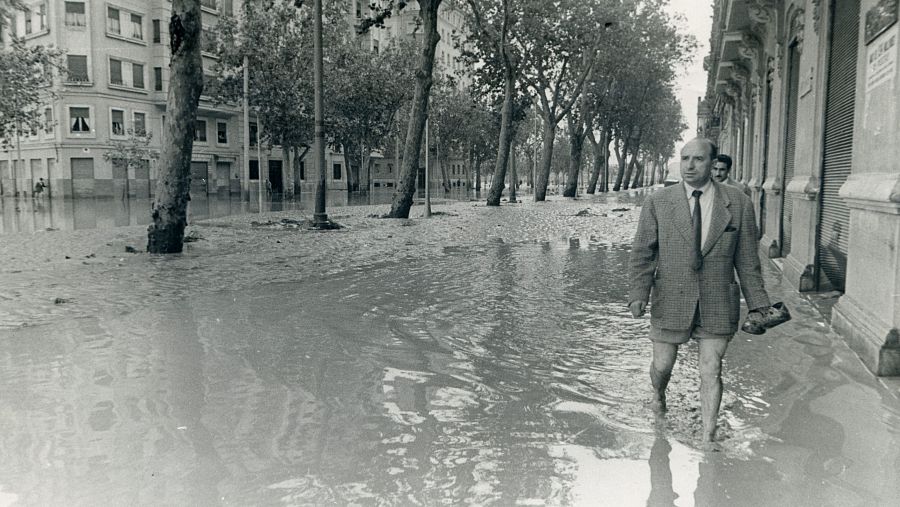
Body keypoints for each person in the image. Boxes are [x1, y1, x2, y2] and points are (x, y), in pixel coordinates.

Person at [628, 137, 771, 442]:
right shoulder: (659, 202)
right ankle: (659, 394)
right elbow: (643, 251)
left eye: (698, 159)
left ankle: (708, 435)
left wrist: (760, 305)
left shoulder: (739, 203)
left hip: (718, 299)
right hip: (671, 298)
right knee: (663, 365)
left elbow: (748, 260)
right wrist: (639, 294)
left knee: (711, 369)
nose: (690, 166)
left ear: (712, 163)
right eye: (685, 159)